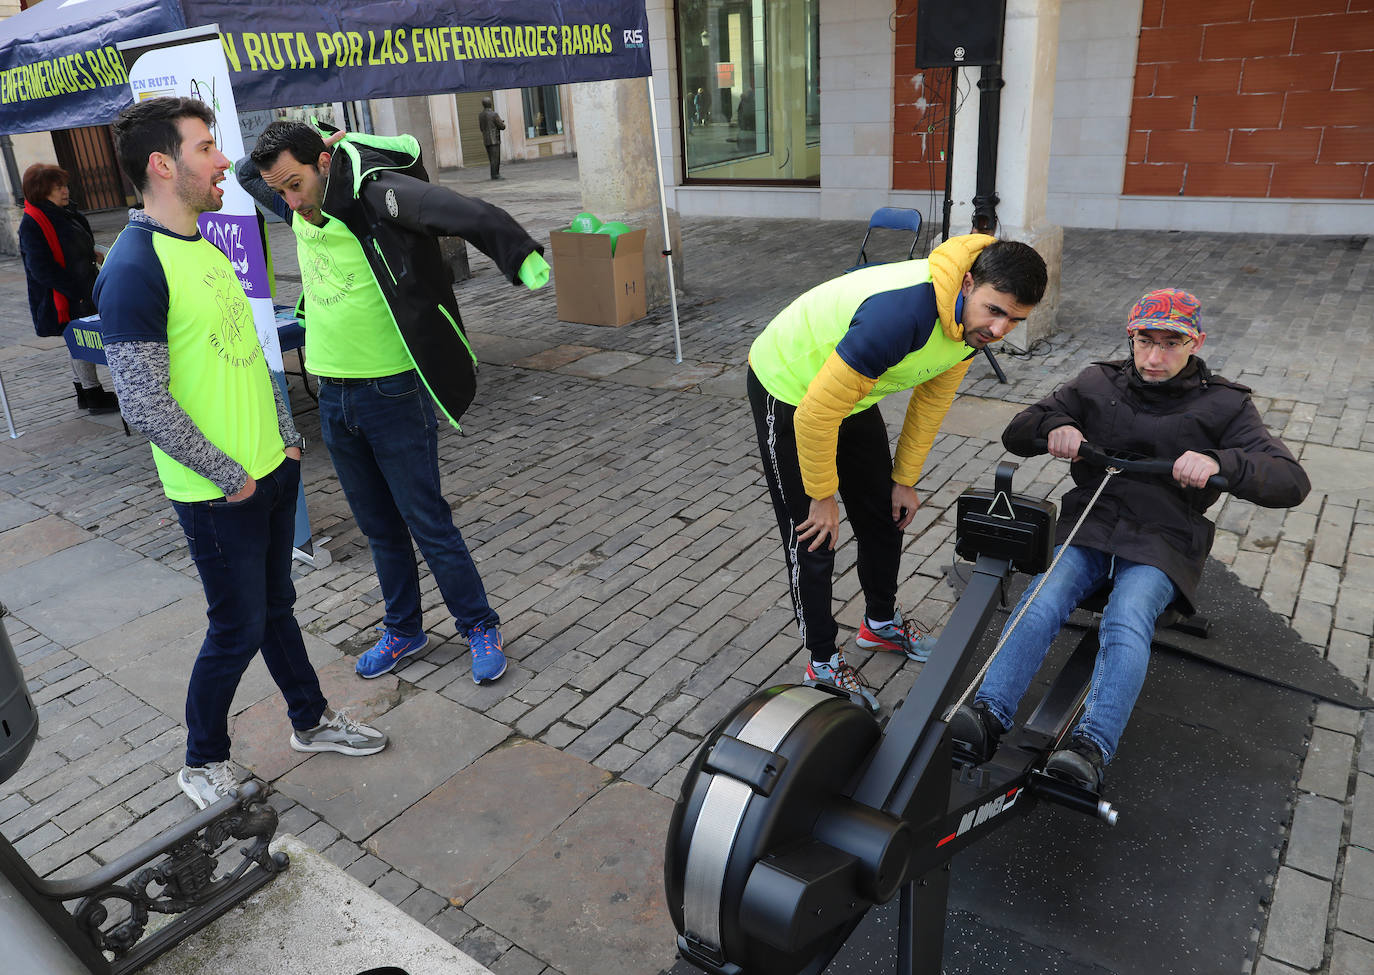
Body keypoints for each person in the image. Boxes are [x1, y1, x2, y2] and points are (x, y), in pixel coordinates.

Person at [93, 97, 387, 810]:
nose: (224, 159)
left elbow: (247, 351)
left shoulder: (204, 241)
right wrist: (228, 474)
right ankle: (202, 760)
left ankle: (310, 719)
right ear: (163, 164)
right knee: (236, 628)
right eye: (205, 147)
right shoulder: (133, 266)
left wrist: (285, 439)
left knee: (276, 610)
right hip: (216, 492)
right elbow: (142, 401)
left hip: (268, 470)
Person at [949, 288, 1311, 792]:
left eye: (1171, 342)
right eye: (1145, 341)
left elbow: (1291, 482)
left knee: (1127, 615)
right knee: (1041, 597)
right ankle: (988, 715)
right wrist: (1056, 426)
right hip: (1094, 523)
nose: (1155, 357)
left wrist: (1220, 463)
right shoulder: (1097, 382)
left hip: (1165, 537)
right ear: (1131, 336)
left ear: (1196, 342)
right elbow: (1019, 429)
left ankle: (1091, 747)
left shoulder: (1225, 404)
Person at [238, 120, 548, 685]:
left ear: (324, 164)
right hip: (333, 395)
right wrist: (312, 146)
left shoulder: (376, 198)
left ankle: (478, 624)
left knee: (427, 522)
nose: (288, 201)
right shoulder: (294, 202)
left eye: (295, 184)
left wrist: (517, 253)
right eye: (279, 190)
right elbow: (244, 173)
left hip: (392, 393)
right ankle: (404, 629)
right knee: (379, 528)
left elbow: (458, 209)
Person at [748, 235, 1048, 710]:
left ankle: (880, 624)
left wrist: (904, 479)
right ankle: (822, 662)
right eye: (994, 310)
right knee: (813, 534)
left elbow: (931, 399)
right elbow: (814, 416)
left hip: (850, 392)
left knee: (885, 515)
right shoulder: (902, 316)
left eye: (1015, 319)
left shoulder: (967, 327)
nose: (1000, 329)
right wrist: (822, 496)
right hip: (792, 387)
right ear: (967, 283)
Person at [18, 163, 119, 414]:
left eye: (64, 185)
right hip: (65, 295)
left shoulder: (65, 213)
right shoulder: (34, 223)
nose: (65, 191)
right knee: (82, 340)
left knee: (79, 341)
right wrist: (75, 289)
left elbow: (75, 244)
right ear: (43, 192)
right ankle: (92, 393)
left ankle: (85, 393)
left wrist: (92, 254)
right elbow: (40, 268)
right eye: (58, 187)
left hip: (82, 288)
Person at [477, 96, 506, 180]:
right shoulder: (494, 114)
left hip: (486, 139)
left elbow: (481, 128)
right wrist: (502, 123)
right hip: (494, 139)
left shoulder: (481, 115)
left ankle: (494, 174)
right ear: (490, 104)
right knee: (496, 158)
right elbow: (502, 126)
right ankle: (495, 175)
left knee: (491, 158)